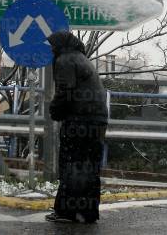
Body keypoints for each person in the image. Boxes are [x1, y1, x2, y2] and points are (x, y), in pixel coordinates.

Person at [45, 31, 108, 224]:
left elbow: (65, 92)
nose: (51, 50)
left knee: (72, 165)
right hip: (97, 121)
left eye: (52, 46)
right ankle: (87, 212)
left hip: (79, 121)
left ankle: (66, 212)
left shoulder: (65, 60)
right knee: (89, 167)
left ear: (59, 45)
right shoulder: (82, 58)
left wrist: (54, 110)